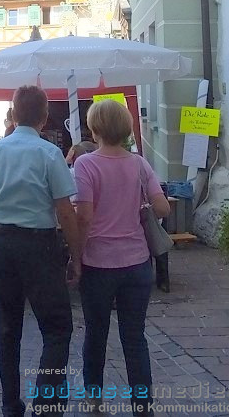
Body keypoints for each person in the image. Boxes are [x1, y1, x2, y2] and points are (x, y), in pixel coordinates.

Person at [0, 85, 82, 417]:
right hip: (41, 243)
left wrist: (0, 228)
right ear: (45, 117)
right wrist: (76, 256)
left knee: (7, 328)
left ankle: (10, 404)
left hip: (6, 243)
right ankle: (47, 405)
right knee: (57, 327)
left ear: (13, 115)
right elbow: (65, 211)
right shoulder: (48, 154)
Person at [74, 100, 170, 413]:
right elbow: (163, 208)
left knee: (96, 333)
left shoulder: (86, 165)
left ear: (95, 129)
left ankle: (94, 399)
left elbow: (84, 216)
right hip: (137, 261)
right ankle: (142, 404)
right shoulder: (139, 163)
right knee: (134, 337)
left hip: (98, 261)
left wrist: (75, 256)